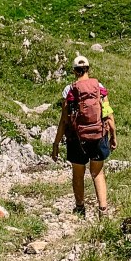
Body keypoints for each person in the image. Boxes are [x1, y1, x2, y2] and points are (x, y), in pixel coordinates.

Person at [51, 55, 117, 217]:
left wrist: (56, 143)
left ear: (74, 71)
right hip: (98, 135)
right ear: (88, 69)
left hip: (76, 138)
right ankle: (103, 210)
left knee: (78, 173)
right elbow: (108, 114)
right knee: (98, 173)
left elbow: (64, 121)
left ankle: (80, 208)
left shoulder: (69, 90)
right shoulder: (99, 87)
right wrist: (113, 135)